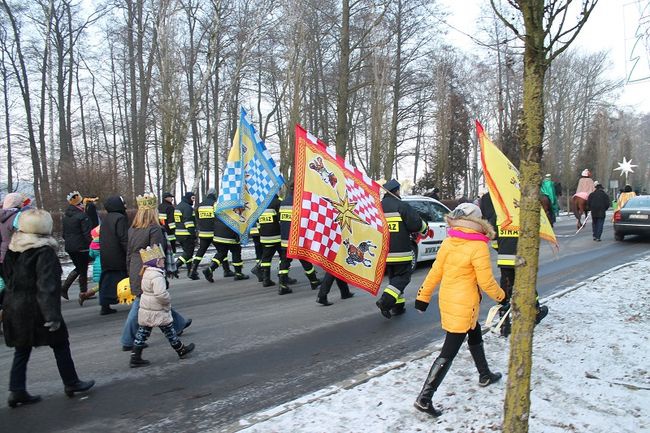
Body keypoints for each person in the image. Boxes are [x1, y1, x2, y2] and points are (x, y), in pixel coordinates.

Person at [413, 203, 506, 417]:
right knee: (449, 350)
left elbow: (436, 271)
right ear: (479, 222)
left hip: (448, 299)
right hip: (464, 303)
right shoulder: (478, 246)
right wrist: (503, 297)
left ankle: (484, 375)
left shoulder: (449, 241)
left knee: (474, 331)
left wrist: (423, 297)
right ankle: (424, 398)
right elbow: (486, 281)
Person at [2, 209, 94, 407]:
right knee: (60, 344)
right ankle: (71, 382)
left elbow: (8, 277)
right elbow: (47, 286)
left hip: (15, 306)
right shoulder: (44, 251)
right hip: (37, 308)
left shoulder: (13, 248)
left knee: (22, 349)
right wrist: (52, 315)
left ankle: (16, 390)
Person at [121, 193, 191, 352]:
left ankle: (179, 323)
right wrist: (159, 274)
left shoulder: (133, 228)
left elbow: (129, 252)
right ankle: (127, 339)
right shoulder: (155, 229)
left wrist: (130, 269)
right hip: (147, 269)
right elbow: (156, 254)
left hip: (135, 267)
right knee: (143, 302)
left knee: (150, 301)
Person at [129, 245, 195, 367]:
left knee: (142, 333)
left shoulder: (147, 272)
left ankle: (135, 356)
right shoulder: (157, 275)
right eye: (161, 260)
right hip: (157, 309)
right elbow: (160, 294)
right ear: (156, 262)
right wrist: (167, 301)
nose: (164, 261)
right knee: (169, 331)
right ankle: (181, 350)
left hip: (147, 309)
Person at [375, 179, 428, 318]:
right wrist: (425, 228)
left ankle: (398, 306)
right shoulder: (401, 205)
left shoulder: (378, 207)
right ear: (396, 191)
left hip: (385, 252)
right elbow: (416, 224)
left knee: (394, 280)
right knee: (403, 278)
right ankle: (385, 302)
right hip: (401, 252)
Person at [278, 182, 320, 295]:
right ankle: (314, 281)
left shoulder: (283, 203)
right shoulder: (301, 203)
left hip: (285, 239)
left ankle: (282, 285)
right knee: (305, 260)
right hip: (298, 239)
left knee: (284, 262)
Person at [189, 188, 233, 280]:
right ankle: (226, 270)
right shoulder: (215, 204)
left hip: (204, 233)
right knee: (221, 252)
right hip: (215, 233)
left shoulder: (200, 205)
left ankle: (192, 270)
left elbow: (197, 218)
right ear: (215, 195)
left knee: (200, 251)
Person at [95, 196, 128, 315]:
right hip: (118, 254)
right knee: (122, 278)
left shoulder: (106, 218)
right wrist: (128, 251)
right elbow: (123, 238)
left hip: (106, 254)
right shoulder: (120, 218)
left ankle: (105, 304)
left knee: (107, 280)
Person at [61, 191, 92, 300]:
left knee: (80, 268)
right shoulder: (82, 216)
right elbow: (86, 233)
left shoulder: (66, 217)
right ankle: (83, 292)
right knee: (82, 269)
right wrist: (92, 244)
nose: (83, 205)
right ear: (78, 204)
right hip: (81, 247)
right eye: (81, 203)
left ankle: (67, 288)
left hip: (70, 246)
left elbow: (64, 234)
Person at [204, 210, 248, 282]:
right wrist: (237, 235)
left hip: (218, 235)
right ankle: (238, 274)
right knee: (236, 252)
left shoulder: (220, 207)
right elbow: (237, 222)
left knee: (221, 253)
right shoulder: (235, 209)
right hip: (230, 236)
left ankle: (210, 269)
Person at [258, 194, 283, 287]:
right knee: (283, 257)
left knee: (266, 258)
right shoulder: (277, 202)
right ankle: (283, 278)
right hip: (277, 237)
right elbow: (281, 220)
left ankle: (266, 280)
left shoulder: (260, 204)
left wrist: (261, 233)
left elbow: (257, 222)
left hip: (265, 237)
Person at [174, 191, 197, 277]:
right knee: (188, 254)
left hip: (179, 234)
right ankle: (175, 267)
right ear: (189, 198)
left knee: (188, 254)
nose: (193, 201)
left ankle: (190, 272)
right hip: (186, 234)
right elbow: (188, 222)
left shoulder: (178, 206)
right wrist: (193, 234)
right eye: (192, 199)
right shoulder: (188, 208)